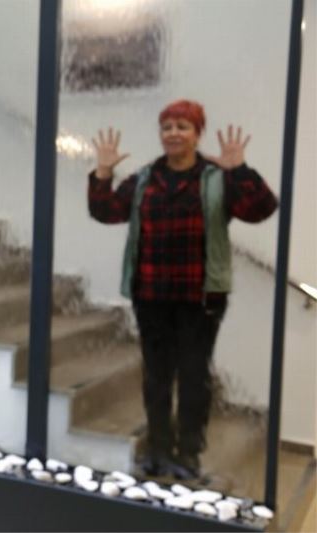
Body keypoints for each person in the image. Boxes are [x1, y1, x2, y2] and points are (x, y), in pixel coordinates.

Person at [87, 99, 277, 481]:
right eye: (167, 126)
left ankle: (188, 452)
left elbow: (262, 208)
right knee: (156, 376)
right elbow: (106, 211)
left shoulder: (217, 177)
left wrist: (238, 169)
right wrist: (103, 172)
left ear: (197, 133)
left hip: (201, 297)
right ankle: (158, 449)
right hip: (151, 294)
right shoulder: (143, 179)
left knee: (193, 376)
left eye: (182, 127)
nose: (173, 133)